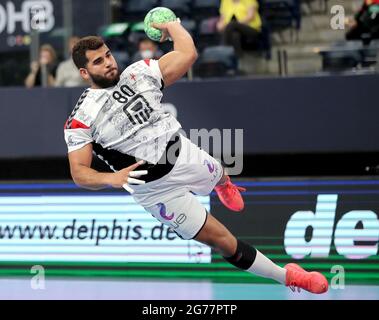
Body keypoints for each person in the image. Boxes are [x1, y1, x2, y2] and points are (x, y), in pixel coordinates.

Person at [64, 21, 328, 294]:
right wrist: (112, 178)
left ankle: (223, 183)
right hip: (154, 191)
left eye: (108, 55)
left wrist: (172, 26)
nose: (108, 63)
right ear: (85, 72)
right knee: (223, 242)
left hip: (182, 154)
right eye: (98, 61)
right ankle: (290, 277)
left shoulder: (139, 72)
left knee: (218, 171)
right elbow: (79, 172)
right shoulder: (81, 118)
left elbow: (187, 54)